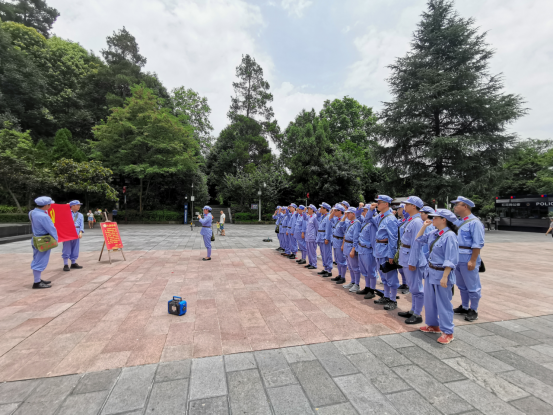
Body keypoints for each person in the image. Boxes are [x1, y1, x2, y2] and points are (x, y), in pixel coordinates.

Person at [416, 209, 459, 344]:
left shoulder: (449, 236)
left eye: (435, 218)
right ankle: (433, 325)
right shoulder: (435, 233)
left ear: (443, 220)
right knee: (430, 301)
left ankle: (448, 332)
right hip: (430, 272)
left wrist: (445, 276)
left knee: (443, 303)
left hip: (442, 273)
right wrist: (424, 226)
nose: (432, 219)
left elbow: (451, 258)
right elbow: (419, 239)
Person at [451, 196, 485, 322]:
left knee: (472, 285)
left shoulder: (475, 222)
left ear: (465, 206)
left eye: (457, 205)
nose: (454, 207)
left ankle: (474, 309)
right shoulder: (459, 222)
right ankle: (465, 306)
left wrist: (473, 260)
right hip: (457, 256)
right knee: (461, 285)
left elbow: (478, 243)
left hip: (468, 256)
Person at [397, 196, 426, 324]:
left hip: (412, 258)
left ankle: (417, 314)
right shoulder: (411, 220)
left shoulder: (417, 222)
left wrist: (413, 261)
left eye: (407, 204)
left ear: (414, 206)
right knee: (413, 287)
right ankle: (413, 310)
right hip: (406, 255)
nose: (405, 206)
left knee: (416, 288)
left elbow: (416, 244)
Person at [369, 195, 399, 310]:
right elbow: (368, 219)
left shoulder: (390, 219)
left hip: (386, 250)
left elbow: (393, 238)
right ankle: (386, 296)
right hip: (379, 249)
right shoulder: (381, 216)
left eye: (379, 202)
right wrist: (371, 210)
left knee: (391, 276)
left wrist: (391, 255)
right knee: (383, 275)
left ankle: (393, 300)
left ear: (386, 204)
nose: (377, 204)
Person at [29, 196, 58, 289]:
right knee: (40, 260)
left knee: (37, 258)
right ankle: (36, 282)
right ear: (46, 205)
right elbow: (51, 228)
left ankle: (37, 279)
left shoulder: (32, 212)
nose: (50, 206)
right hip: (43, 240)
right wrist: (56, 239)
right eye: (50, 204)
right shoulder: (44, 216)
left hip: (35, 239)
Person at [357, 205, 378, 298]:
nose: (363, 212)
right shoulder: (365, 222)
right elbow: (357, 216)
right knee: (364, 271)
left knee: (371, 271)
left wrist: (374, 252)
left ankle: (372, 290)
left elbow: (373, 239)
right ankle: (367, 287)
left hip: (368, 250)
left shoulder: (372, 223)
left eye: (365, 210)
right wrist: (359, 208)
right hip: (361, 249)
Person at [342, 207, 362, 292]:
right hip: (347, 245)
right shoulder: (351, 222)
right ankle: (352, 282)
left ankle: (357, 284)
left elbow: (356, 237)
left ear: (353, 214)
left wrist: (353, 249)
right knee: (350, 266)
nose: (346, 215)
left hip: (351, 246)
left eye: (348, 213)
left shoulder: (357, 223)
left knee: (355, 267)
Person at [62, 200, 85, 271]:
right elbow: (59, 214)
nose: (79, 206)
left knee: (75, 247)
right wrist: (65, 207)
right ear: (72, 206)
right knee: (67, 247)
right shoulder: (66, 213)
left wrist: (80, 232)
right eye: (77, 205)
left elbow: (81, 224)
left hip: (77, 231)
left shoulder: (80, 215)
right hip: (67, 231)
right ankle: (66, 264)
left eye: (79, 205)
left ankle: (73, 262)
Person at [329, 205, 348, 284]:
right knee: (337, 260)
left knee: (342, 260)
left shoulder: (345, 220)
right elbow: (330, 219)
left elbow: (345, 234)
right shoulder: (336, 218)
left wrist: (343, 245)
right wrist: (333, 212)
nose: (334, 212)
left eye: (336, 210)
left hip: (340, 241)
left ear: (340, 211)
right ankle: (340, 275)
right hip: (335, 240)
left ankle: (343, 277)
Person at [316, 203, 333, 277]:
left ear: (325, 209)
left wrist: (327, 238)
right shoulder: (323, 216)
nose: (320, 209)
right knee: (323, 254)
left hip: (324, 238)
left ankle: (329, 270)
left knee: (327, 254)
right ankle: (325, 268)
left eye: (321, 208)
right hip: (321, 237)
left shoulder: (328, 216)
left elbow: (328, 228)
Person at [304, 204, 319, 269]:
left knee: (312, 252)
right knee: (309, 251)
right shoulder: (309, 217)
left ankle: (314, 264)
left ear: (312, 210)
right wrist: (304, 212)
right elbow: (304, 218)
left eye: (308, 209)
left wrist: (316, 237)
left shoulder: (315, 217)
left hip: (312, 237)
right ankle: (310, 263)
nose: (308, 210)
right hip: (308, 237)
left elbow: (317, 228)